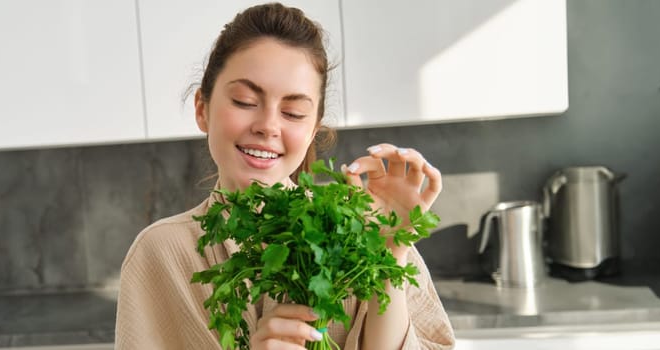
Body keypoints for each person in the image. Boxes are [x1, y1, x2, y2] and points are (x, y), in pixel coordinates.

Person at [116, 3, 455, 349]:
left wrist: (390, 254)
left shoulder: (363, 229)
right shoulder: (159, 254)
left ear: (313, 130)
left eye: (293, 112)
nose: (268, 126)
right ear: (202, 108)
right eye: (245, 101)